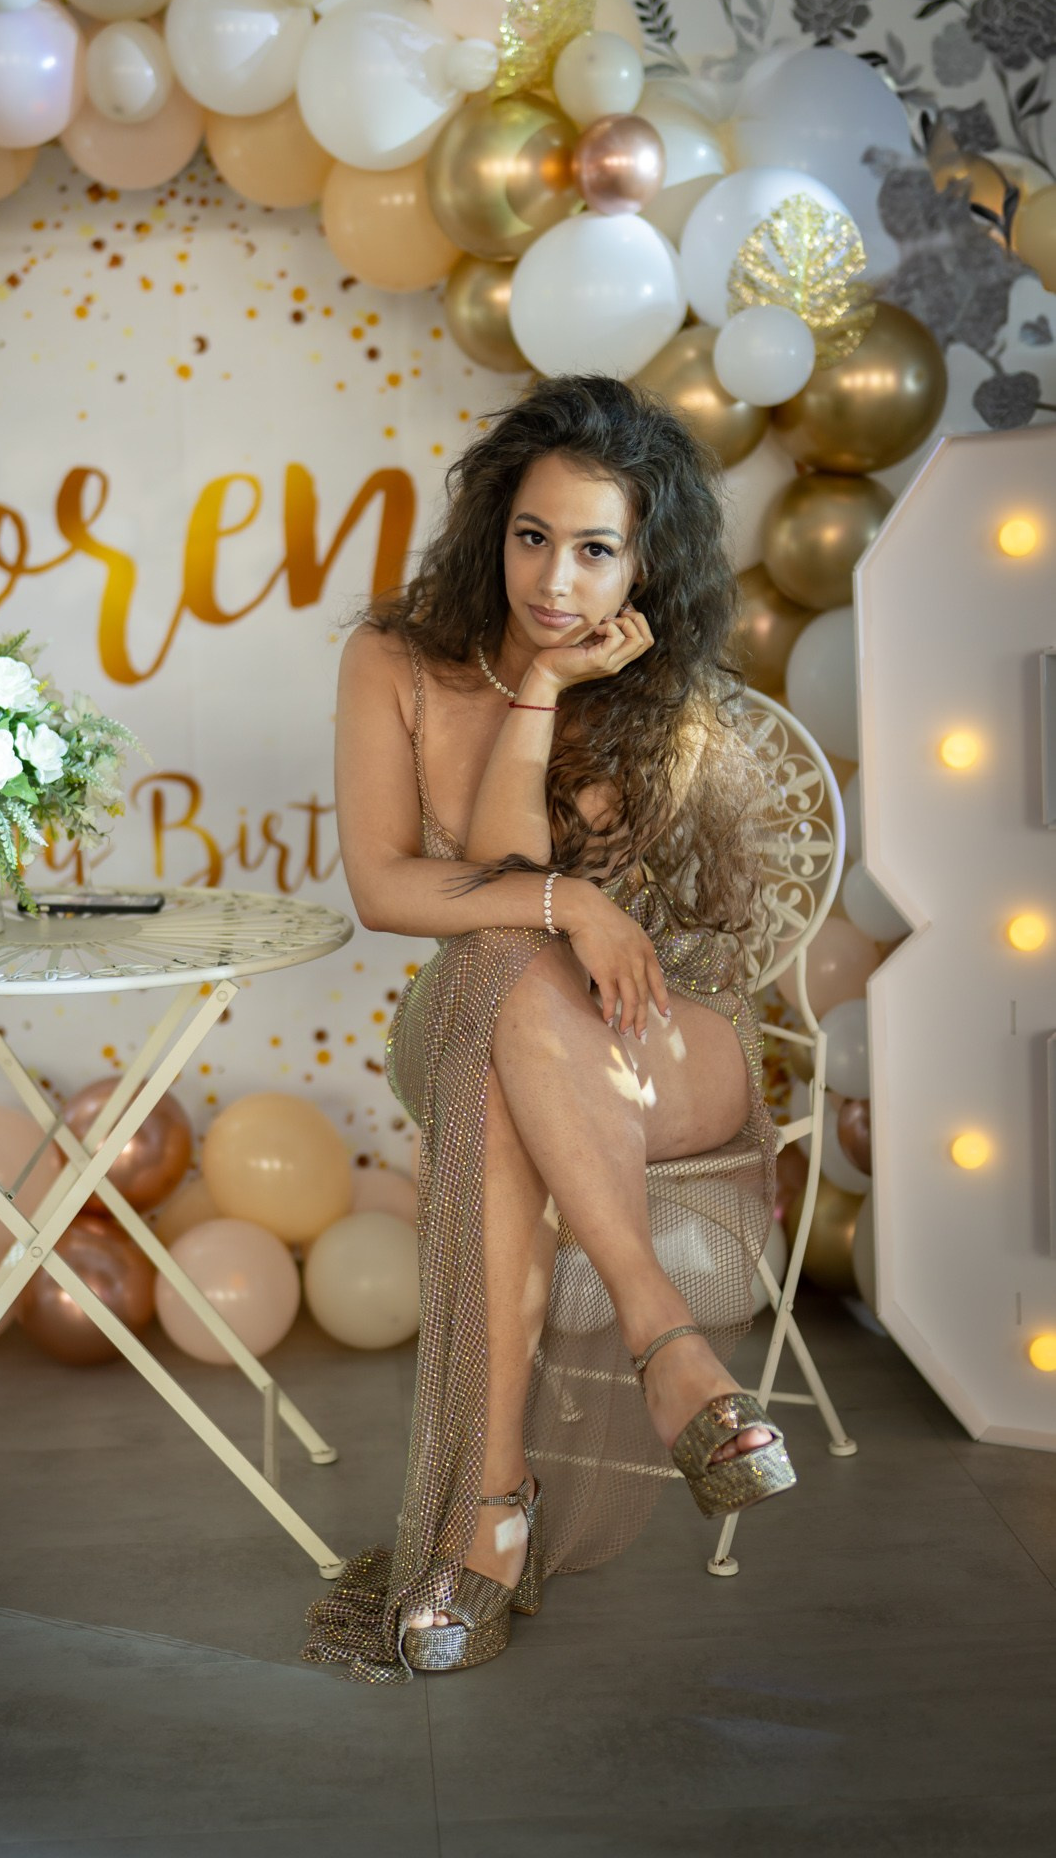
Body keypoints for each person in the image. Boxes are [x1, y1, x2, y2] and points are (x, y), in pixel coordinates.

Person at [302, 372, 795, 1684]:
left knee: (505, 994)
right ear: (493, 527)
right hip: (497, 1025)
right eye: (532, 537)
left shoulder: (661, 688)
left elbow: (505, 880)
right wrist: (535, 706)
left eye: (594, 550)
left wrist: (558, 861)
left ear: (643, 562)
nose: (556, 581)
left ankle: (490, 1513)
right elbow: (395, 889)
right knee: (504, 983)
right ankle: (667, 1347)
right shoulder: (392, 660)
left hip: (664, 1030)